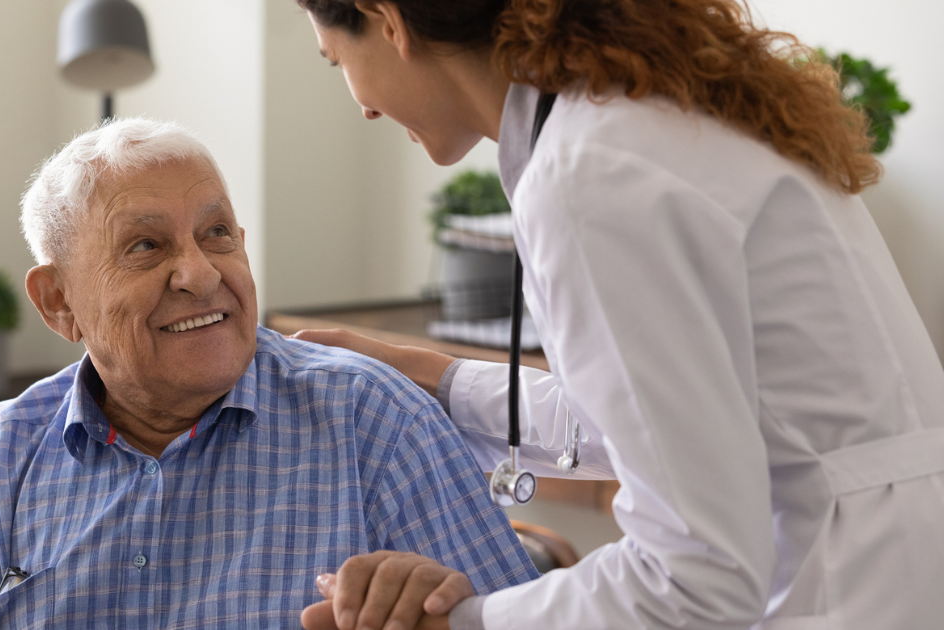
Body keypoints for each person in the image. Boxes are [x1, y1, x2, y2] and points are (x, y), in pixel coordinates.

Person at [292, 1, 944, 629]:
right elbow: (671, 417)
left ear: (388, 20)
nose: (363, 106)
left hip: (856, 590)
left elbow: (695, 581)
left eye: (335, 60)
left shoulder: (588, 174)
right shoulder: (649, 118)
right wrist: (441, 380)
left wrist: (465, 623)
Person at [0, 118, 537, 629]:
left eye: (218, 234)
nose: (200, 274)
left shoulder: (373, 422)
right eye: (146, 246)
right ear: (60, 302)